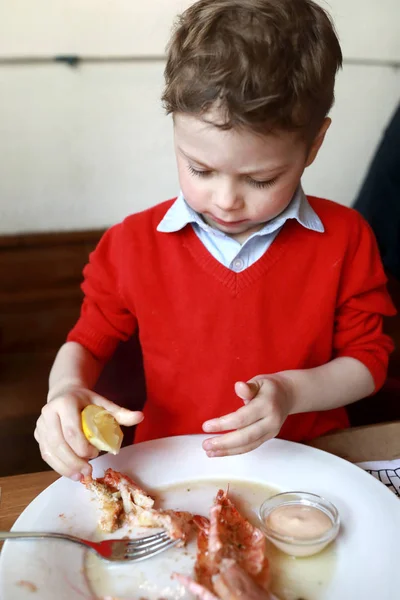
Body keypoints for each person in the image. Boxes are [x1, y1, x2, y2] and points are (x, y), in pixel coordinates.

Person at [35, 0, 396, 480]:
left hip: (310, 468)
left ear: (313, 145)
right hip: (172, 472)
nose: (226, 200)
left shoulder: (347, 239)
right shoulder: (131, 245)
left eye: (261, 179)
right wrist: (64, 390)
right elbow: (86, 342)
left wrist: (291, 394)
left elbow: (368, 362)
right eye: (200, 169)